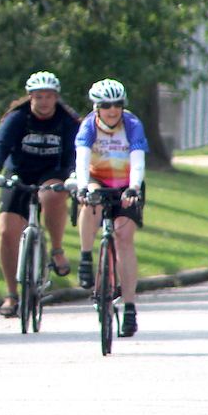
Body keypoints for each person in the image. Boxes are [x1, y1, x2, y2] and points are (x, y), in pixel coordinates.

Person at [0, 71, 81, 317]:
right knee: (7, 232)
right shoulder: (18, 117)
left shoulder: (67, 119)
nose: (44, 101)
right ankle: (11, 294)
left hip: (53, 172)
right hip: (20, 174)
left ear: (57, 97)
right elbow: (1, 143)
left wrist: (73, 176)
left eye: (49, 96)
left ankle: (57, 250)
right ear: (30, 97)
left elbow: (77, 150)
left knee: (51, 196)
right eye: (39, 97)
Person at [73, 78, 148, 338]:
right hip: (97, 180)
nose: (113, 110)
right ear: (97, 107)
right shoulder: (88, 125)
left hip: (126, 185)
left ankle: (129, 307)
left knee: (124, 238)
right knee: (91, 198)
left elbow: (138, 159)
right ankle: (85, 257)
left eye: (117, 104)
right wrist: (83, 186)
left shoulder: (132, 124)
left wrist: (134, 188)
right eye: (106, 106)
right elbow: (82, 158)